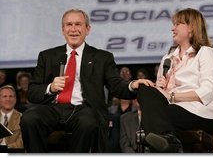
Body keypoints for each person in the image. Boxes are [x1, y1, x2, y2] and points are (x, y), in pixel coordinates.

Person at [20, 8, 152, 153]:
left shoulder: (102, 57)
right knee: (29, 118)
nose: (73, 29)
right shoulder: (47, 56)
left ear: (87, 29)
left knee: (87, 121)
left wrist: (132, 84)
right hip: (53, 108)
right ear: (63, 30)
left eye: (78, 24)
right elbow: (32, 92)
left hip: (84, 109)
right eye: (69, 25)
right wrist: (50, 87)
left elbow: (116, 85)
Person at [136, 8, 213, 153]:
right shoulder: (167, 59)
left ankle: (167, 142)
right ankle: (168, 139)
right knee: (145, 89)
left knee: (159, 114)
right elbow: (161, 95)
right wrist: (160, 89)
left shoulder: (205, 52)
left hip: (201, 112)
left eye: (177, 24)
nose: (172, 28)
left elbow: (207, 91)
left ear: (191, 27)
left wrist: (172, 96)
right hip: (171, 110)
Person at [0, 85, 23, 149]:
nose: (8, 99)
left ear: (15, 99)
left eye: (11, 96)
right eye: (5, 96)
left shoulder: (22, 118)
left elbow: (22, 142)